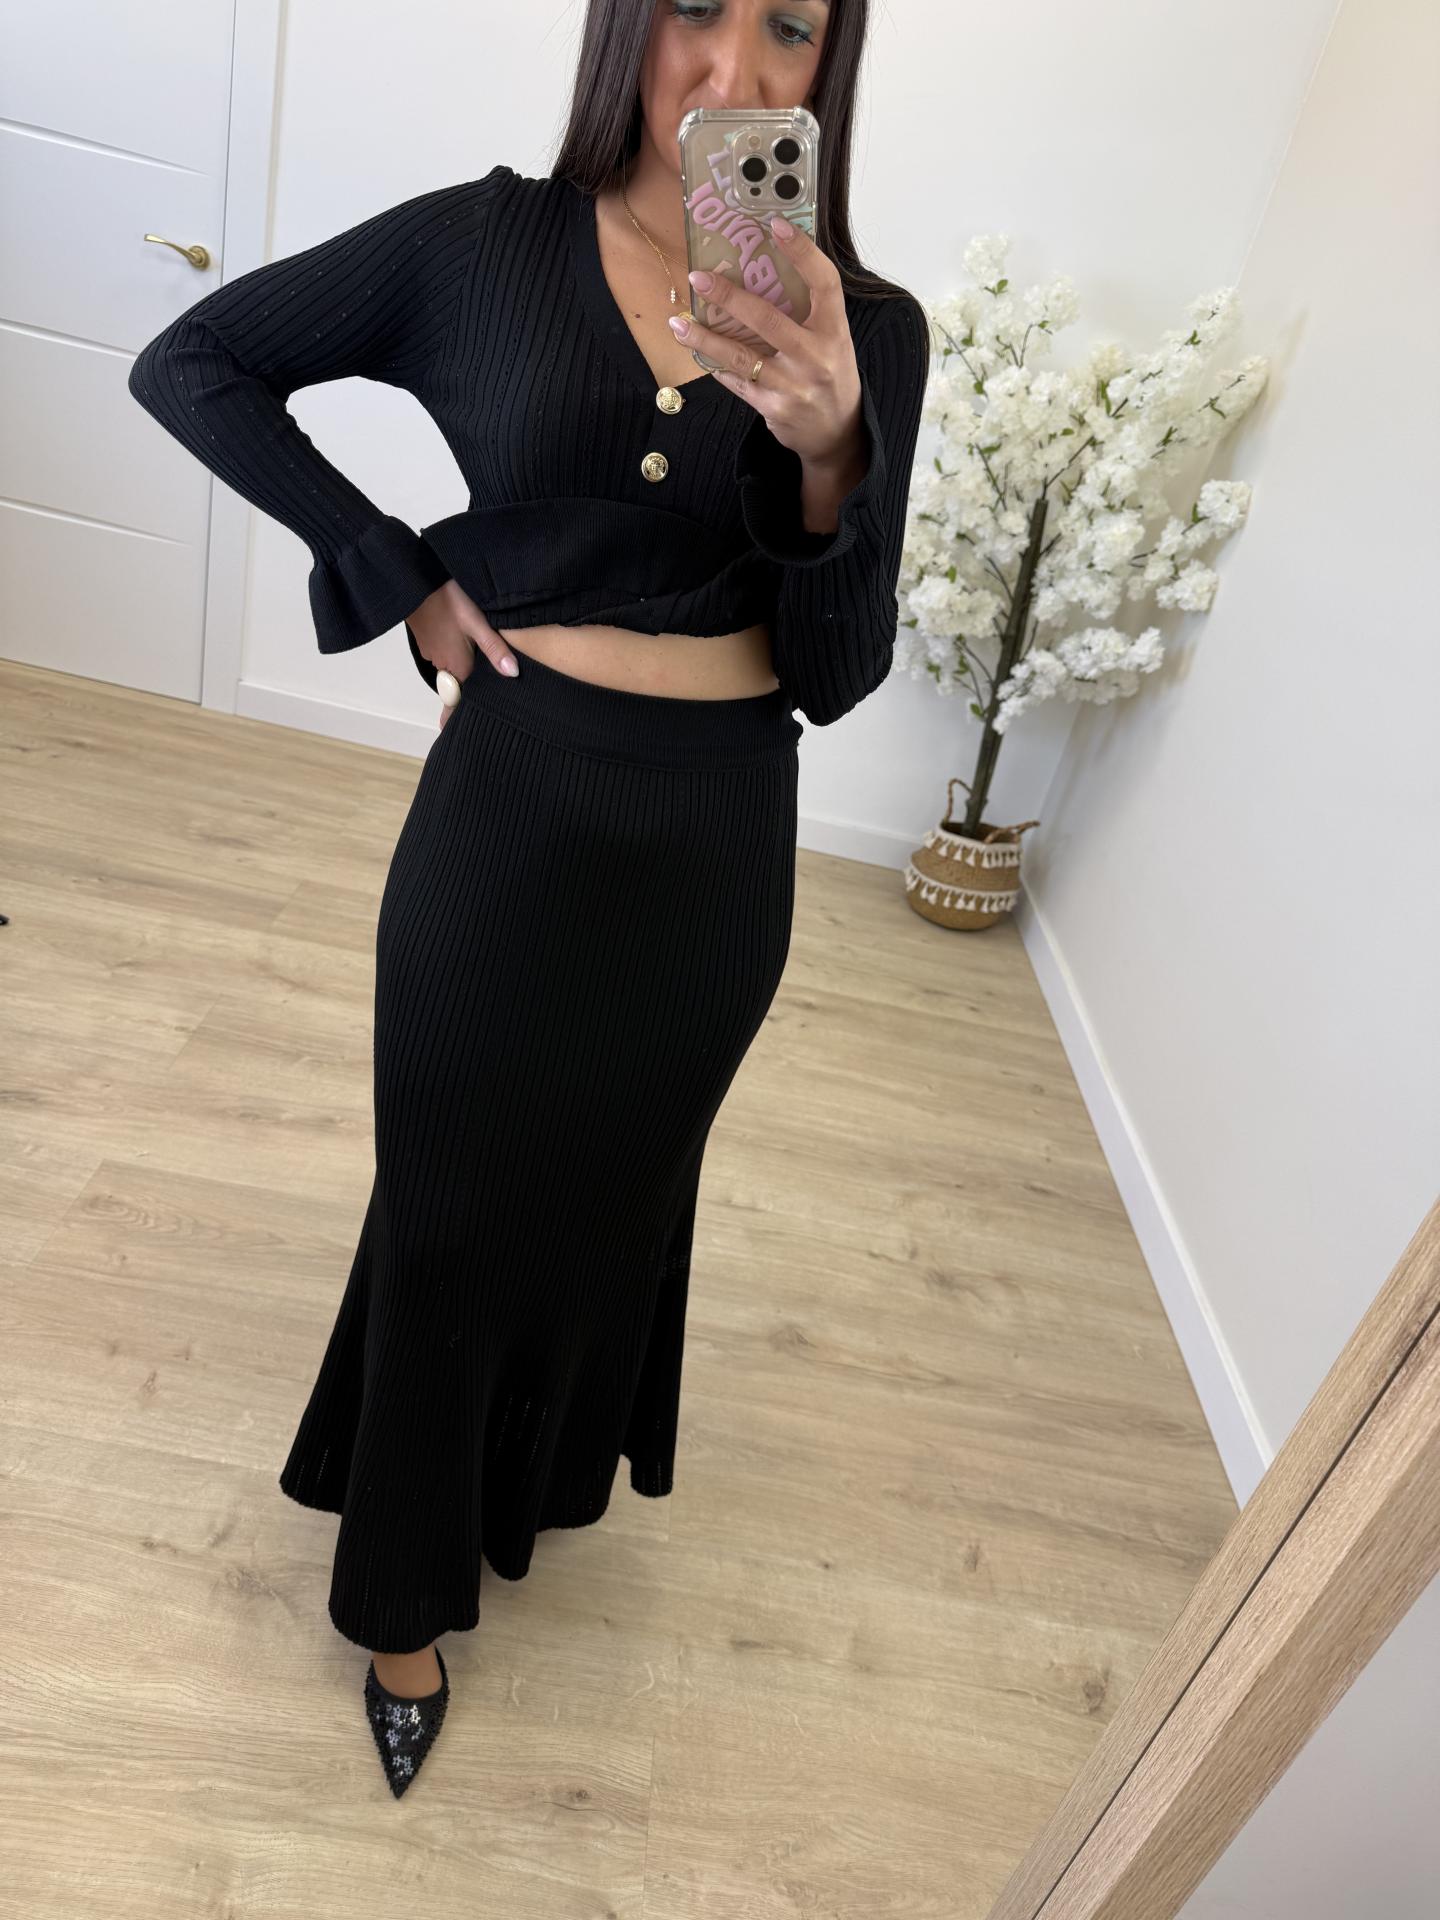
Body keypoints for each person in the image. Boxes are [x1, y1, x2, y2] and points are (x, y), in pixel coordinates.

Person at [128, 0, 929, 1798]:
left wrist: (829, 452)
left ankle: (529, 1487)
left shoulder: (866, 330)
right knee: (446, 1212)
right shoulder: (482, 246)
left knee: (610, 1205)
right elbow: (195, 361)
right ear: (625, 20)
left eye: (790, 29)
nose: (734, 73)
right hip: (508, 815)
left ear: (833, 64)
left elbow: (838, 672)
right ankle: (401, 1606)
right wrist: (392, 570)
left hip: (714, 853)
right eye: (694, 9)